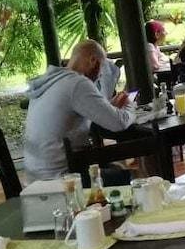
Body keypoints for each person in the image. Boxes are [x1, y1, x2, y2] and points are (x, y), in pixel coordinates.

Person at [23, 39, 134, 185]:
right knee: (128, 176)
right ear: (94, 61)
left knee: (113, 167)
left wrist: (108, 106)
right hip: (63, 179)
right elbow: (119, 122)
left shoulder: (50, 81)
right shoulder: (77, 84)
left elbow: (77, 114)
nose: (100, 76)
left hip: (35, 177)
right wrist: (130, 105)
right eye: (101, 70)